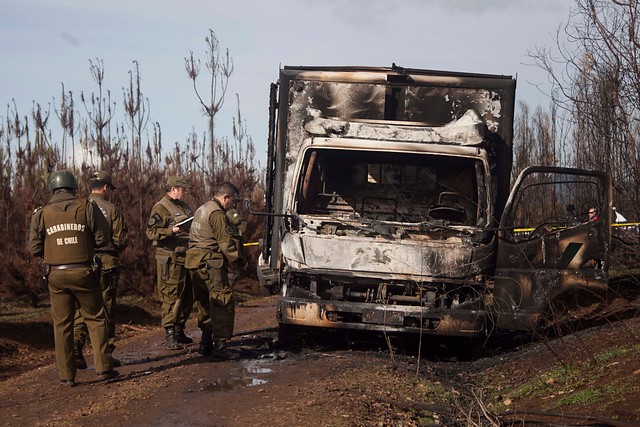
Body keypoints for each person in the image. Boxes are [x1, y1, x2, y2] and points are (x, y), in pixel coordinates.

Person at [28, 170, 118, 386]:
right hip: (84, 272)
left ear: (52, 188)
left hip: (56, 275)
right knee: (95, 318)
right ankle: (104, 368)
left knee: (62, 325)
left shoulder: (42, 213)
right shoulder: (86, 206)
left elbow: (33, 247)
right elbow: (102, 237)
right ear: (73, 187)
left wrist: (50, 255)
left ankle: (67, 376)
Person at [74, 171, 129, 369]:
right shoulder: (111, 208)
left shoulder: (78, 207)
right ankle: (105, 354)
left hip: (83, 263)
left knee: (83, 307)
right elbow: (120, 239)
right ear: (105, 187)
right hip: (106, 262)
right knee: (105, 309)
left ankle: (76, 346)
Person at [186, 182, 246, 356]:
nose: (232, 206)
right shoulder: (217, 213)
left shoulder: (202, 208)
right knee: (222, 300)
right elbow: (225, 242)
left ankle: (205, 342)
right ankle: (220, 345)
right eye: (232, 201)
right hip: (211, 262)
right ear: (225, 197)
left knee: (204, 302)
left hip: (194, 262)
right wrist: (239, 260)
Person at [146, 175, 195, 349]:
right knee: (171, 296)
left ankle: (179, 329)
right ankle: (169, 333)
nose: (185, 192)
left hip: (186, 256)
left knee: (188, 296)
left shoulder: (184, 206)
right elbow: (151, 232)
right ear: (173, 189)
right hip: (170, 257)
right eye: (182, 189)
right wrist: (171, 231)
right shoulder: (161, 207)